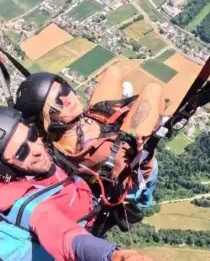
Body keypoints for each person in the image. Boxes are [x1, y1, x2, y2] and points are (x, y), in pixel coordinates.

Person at [0, 7, 152, 261]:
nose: (36, 147)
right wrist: (113, 256)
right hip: (87, 224)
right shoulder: (29, 205)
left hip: (84, 196)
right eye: (23, 151)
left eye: (32, 134)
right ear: (6, 169)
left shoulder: (6, 148)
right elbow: (66, 238)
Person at [13, 68, 164, 234]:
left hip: (92, 125)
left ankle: (119, 113)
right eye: (57, 101)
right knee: (154, 90)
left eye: (64, 89)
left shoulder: (50, 143)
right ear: (47, 119)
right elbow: (137, 178)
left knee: (113, 73)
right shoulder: (104, 154)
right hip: (126, 178)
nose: (67, 99)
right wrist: (145, 148)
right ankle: (144, 199)